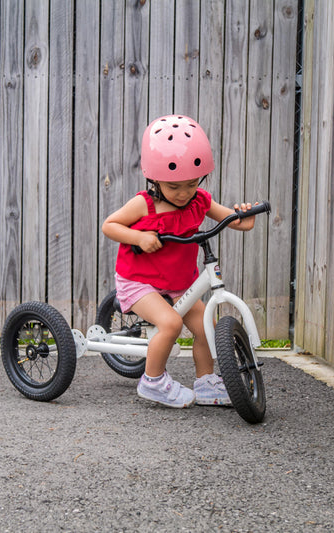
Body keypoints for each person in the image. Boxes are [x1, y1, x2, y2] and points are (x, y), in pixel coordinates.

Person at [101, 115, 259, 409]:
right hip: (139, 280)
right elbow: (109, 225)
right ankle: (152, 381)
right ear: (155, 179)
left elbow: (233, 220)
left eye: (191, 184)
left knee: (206, 327)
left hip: (178, 282)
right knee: (171, 324)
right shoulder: (144, 204)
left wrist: (244, 218)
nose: (184, 193)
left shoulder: (200, 201)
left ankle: (206, 382)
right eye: (174, 187)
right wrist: (139, 237)